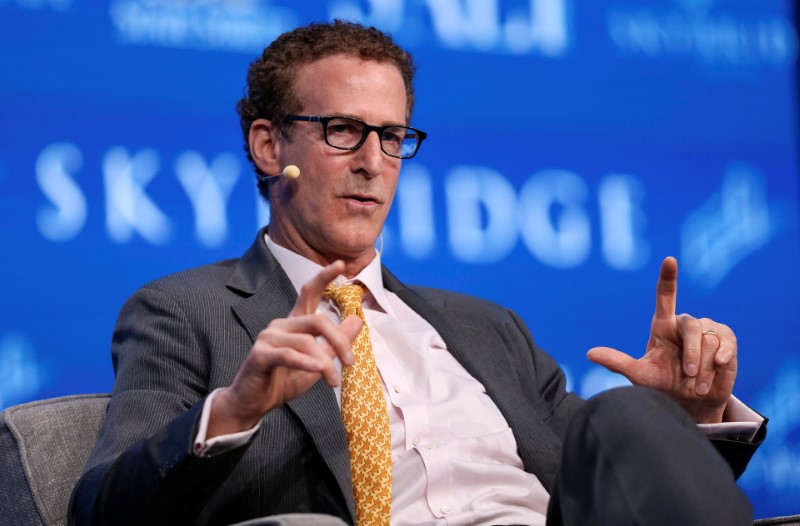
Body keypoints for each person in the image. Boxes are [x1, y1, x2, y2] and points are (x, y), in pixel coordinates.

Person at [69, 20, 765, 526]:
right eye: (343, 130)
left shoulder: (487, 327)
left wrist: (689, 418)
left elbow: (623, 494)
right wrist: (239, 407)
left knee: (625, 416)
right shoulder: (183, 310)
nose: (373, 160)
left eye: (393, 136)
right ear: (267, 144)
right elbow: (102, 509)